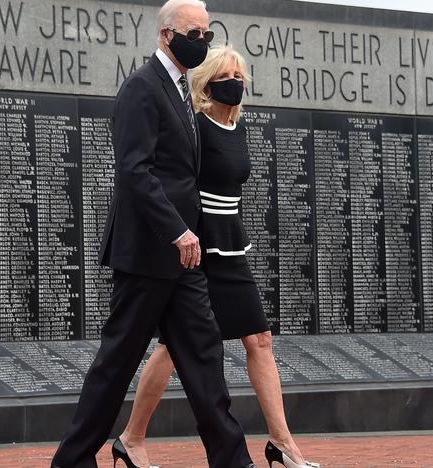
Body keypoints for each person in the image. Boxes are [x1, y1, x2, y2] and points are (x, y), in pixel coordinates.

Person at [50, 1, 256, 467]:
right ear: (166, 35)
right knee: (116, 365)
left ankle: (233, 460)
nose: (202, 41)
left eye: (207, 33)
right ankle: (72, 460)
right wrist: (178, 230)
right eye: (194, 33)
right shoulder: (142, 88)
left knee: (205, 360)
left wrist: (193, 234)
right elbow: (134, 172)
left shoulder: (183, 91)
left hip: (185, 260)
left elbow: (182, 173)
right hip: (147, 255)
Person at [115, 46, 321, 468]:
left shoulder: (238, 126)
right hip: (196, 245)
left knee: (260, 340)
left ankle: (283, 444)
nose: (235, 82)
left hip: (231, 245)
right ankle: (131, 439)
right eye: (225, 74)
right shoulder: (194, 126)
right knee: (173, 348)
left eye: (239, 74)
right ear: (205, 82)